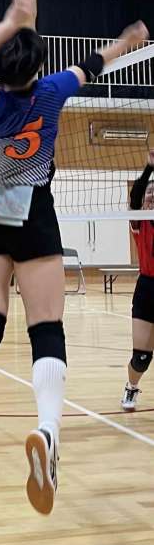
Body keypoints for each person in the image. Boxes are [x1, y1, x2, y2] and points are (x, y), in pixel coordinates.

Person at [0, 0, 148, 515]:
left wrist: (10, 21)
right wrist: (127, 42)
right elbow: (93, 63)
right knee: (47, 329)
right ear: (38, 66)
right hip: (34, 211)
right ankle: (47, 433)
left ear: (0, 66)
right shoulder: (51, 91)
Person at [121, 150, 154, 411]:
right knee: (142, 357)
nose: (151, 196)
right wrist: (149, 168)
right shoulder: (140, 222)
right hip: (147, 290)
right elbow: (135, 197)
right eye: (149, 193)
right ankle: (131, 387)